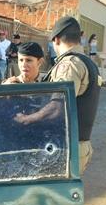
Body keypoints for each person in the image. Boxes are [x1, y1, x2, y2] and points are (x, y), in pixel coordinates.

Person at [12, 16, 101, 173]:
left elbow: (57, 108)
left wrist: (26, 119)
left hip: (66, 147)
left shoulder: (69, 65)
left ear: (57, 40)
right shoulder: (88, 62)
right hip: (76, 144)